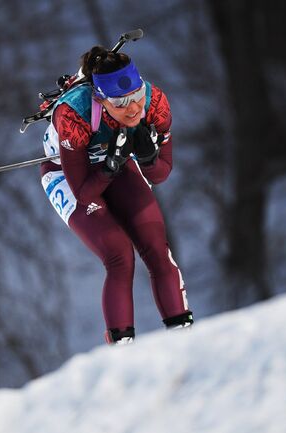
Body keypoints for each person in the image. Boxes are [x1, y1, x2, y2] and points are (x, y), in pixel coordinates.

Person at [39, 45, 193, 345]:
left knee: (157, 249)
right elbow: (83, 192)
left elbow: (160, 174)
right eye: (121, 103)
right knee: (119, 255)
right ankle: (122, 350)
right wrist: (109, 166)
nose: (133, 108)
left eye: (135, 96)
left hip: (116, 164)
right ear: (100, 98)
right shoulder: (73, 113)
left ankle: (184, 338)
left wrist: (148, 158)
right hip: (69, 174)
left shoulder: (154, 101)